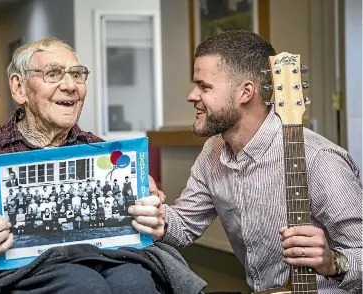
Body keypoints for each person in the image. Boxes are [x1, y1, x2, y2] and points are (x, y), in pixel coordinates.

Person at [129, 31, 362, 293]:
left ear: (245, 92)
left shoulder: (320, 159)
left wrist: (334, 262)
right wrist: (156, 215)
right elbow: (183, 226)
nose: (192, 96)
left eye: (205, 87)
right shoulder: (213, 151)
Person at [0, 37, 166, 294]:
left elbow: (132, 232)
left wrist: (148, 212)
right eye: (53, 74)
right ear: (19, 88)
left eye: (78, 75)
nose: (71, 86)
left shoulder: (99, 151)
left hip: (98, 258)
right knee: (82, 284)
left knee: (137, 280)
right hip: (24, 270)